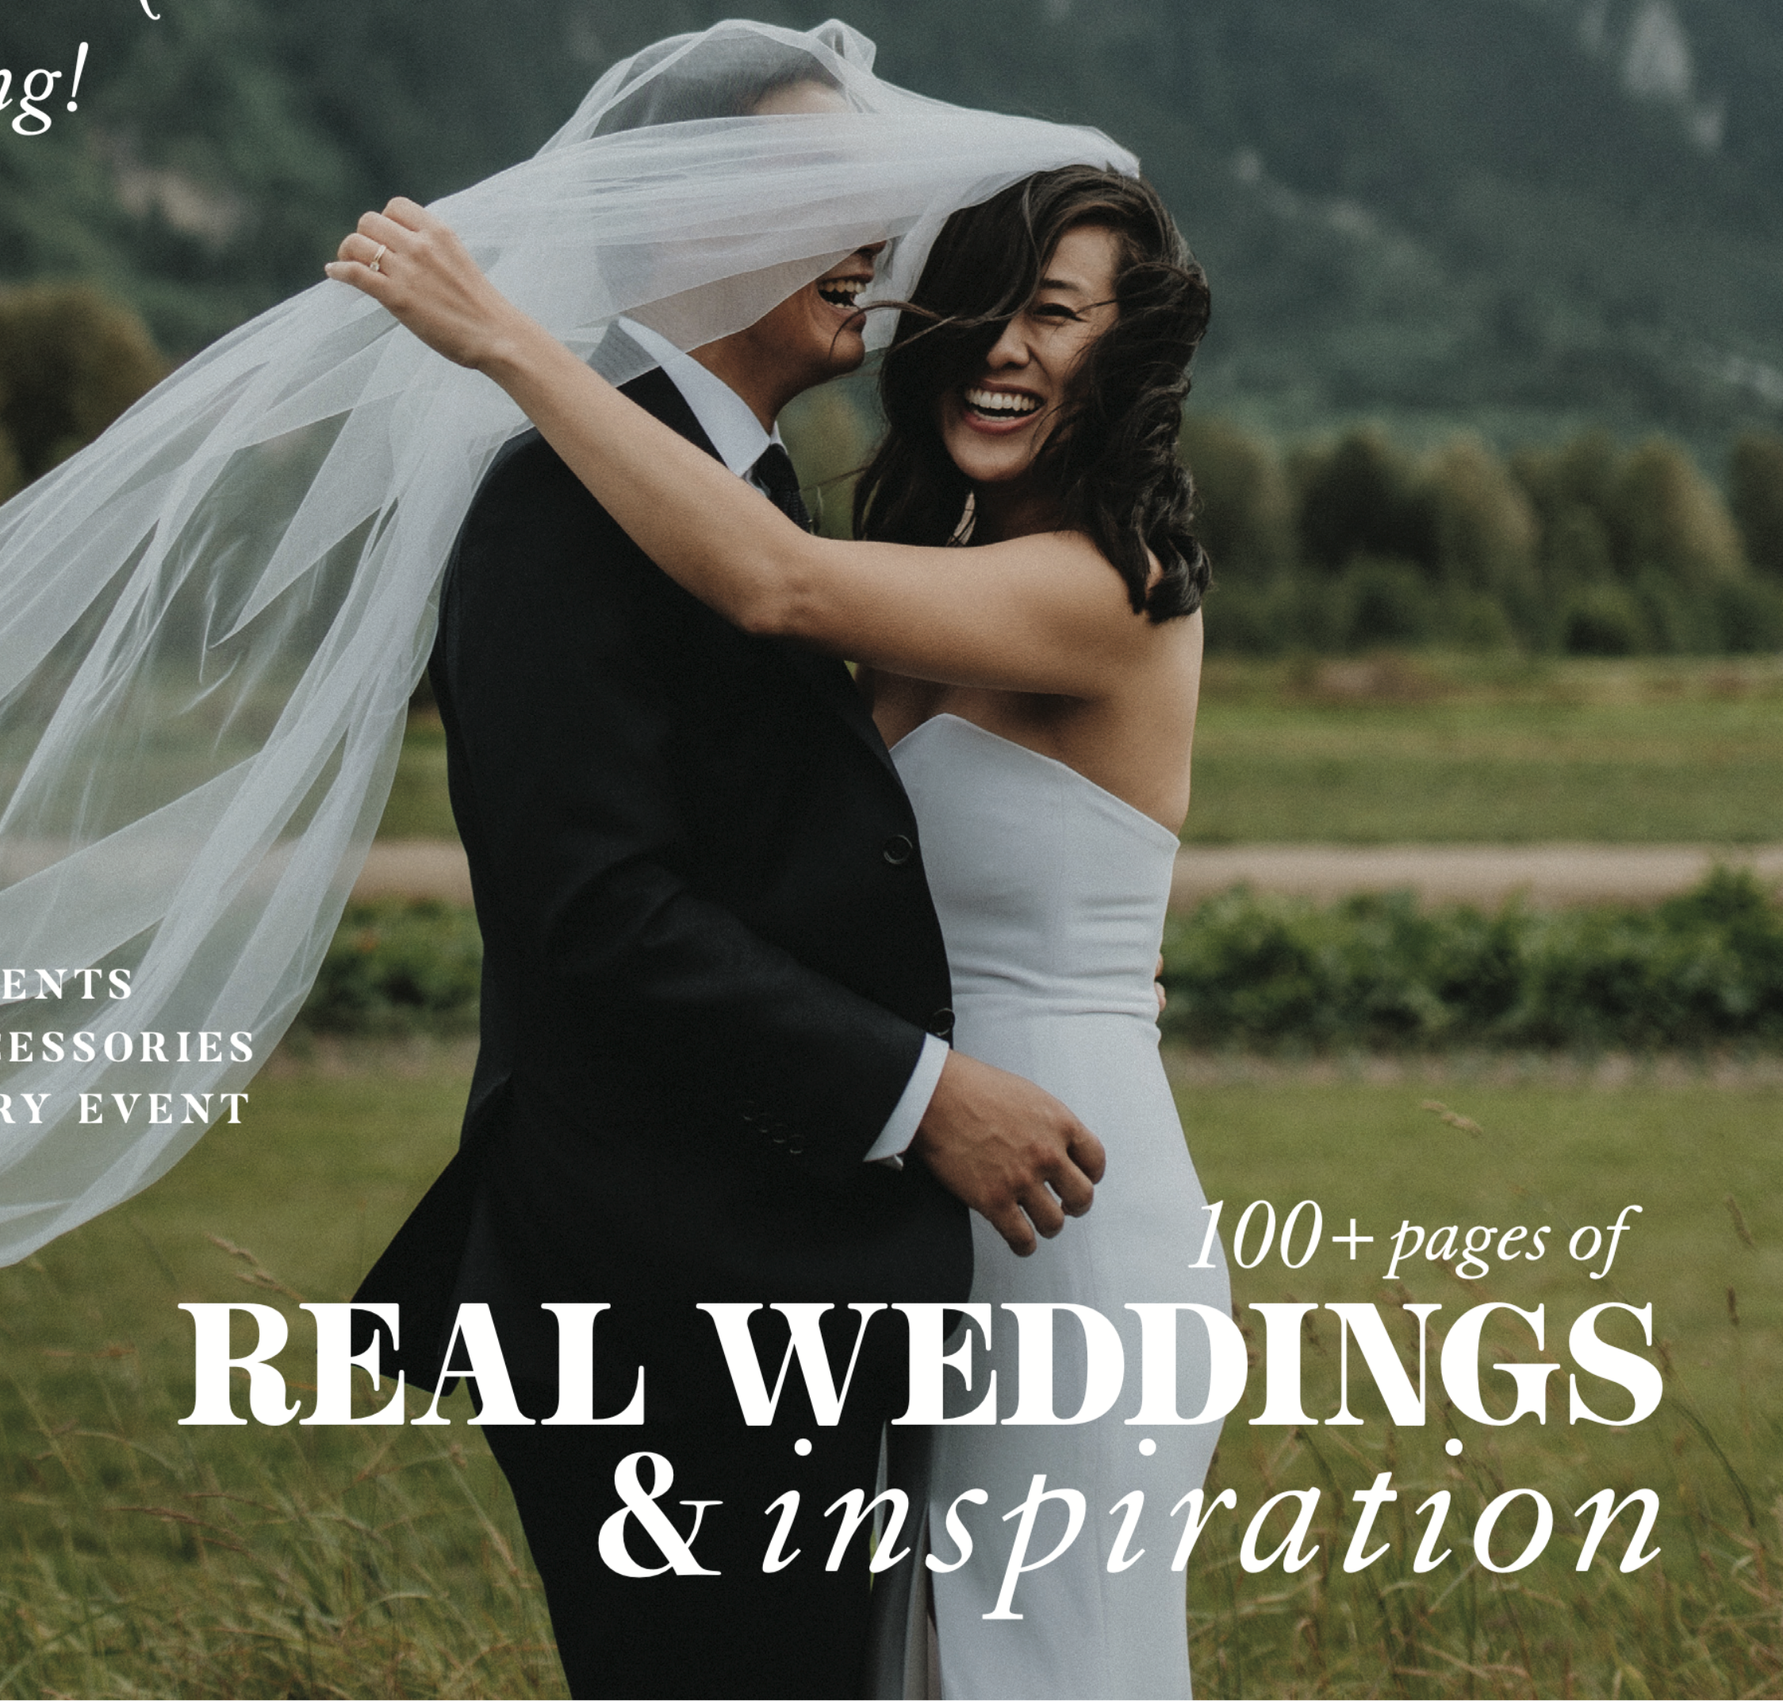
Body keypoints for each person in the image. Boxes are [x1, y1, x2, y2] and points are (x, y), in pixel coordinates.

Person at [0, 19, 1135, 1534]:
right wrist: (919, 1093)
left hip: (779, 1268)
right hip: (659, 1288)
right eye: (813, 192)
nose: (873, 236)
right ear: (666, 226)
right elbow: (597, 913)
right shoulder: (561, 509)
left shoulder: (735, 490)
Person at [329, 157, 1218, 1701]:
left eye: (1057, 317)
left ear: (1125, 358)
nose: (1003, 347)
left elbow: (771, 584)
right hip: (906, 1208)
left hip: (1059, 1204)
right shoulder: (936, 578)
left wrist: (508, 342)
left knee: (1044, 1662)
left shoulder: (1109, 589)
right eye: (980, 307)